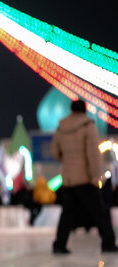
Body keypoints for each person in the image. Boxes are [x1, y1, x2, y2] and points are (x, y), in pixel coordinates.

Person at [50, 100, 117, 254]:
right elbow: (93, 154)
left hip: (68, 178)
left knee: (67, 213)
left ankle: (60, 244)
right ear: (85, 110)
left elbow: (54, 150)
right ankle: (108, 243)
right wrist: (95, 176)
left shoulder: (61, 127)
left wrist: (66, 161)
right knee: (99, 212)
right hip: (85, 178)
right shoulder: (88, 126)